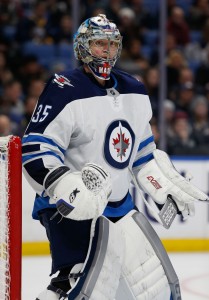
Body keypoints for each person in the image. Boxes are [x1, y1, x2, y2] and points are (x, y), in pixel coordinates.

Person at [22, 14, 208, 300]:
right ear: (83, 47)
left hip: (120, 208)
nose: (106, 51)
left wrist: (159, 186)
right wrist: (65, 185)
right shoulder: (63, 89)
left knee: (155, 288)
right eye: (99, 44)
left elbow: (141, 154)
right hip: (72, 207)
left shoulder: (134, 88)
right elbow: (35, 148)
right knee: (80, 286)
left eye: (111, 44)